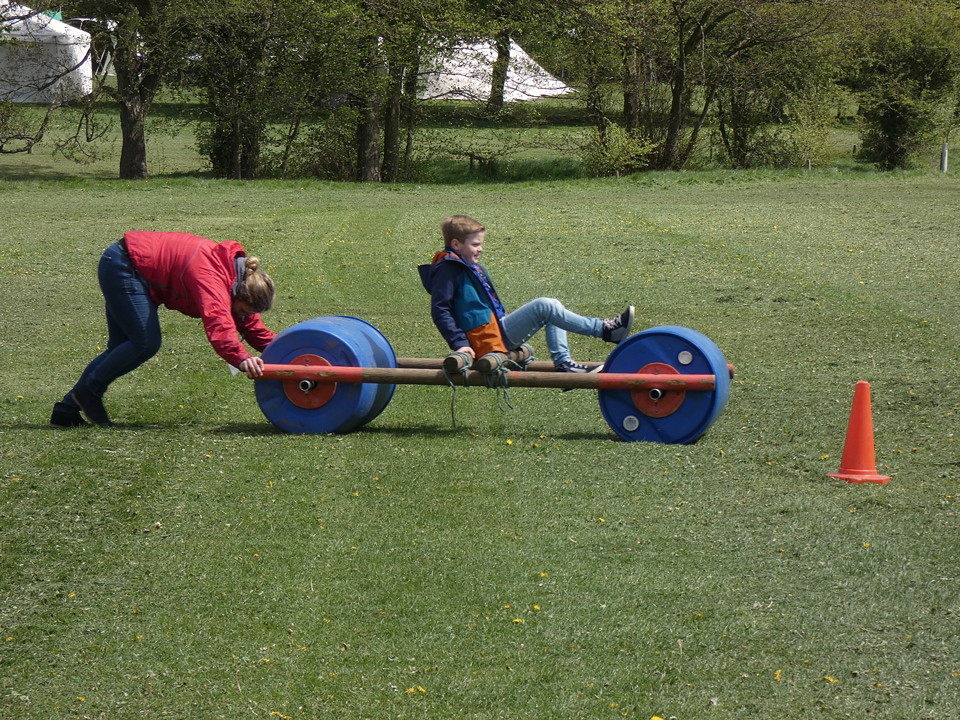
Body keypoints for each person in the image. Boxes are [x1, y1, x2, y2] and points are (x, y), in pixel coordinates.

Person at [50, 231, 277, 428]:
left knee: (122, 347)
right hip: (125, 266)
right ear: (239, 294)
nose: (242, 317)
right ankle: (90, 391)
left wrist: (289, 347)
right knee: (144, 342)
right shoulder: (213, 279)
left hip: (124, 262)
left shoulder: (234, 279)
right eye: (243, 310)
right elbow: (219, 323)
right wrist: (241, 358)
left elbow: (251, 326)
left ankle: (66, 410)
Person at [418, 214, 634, 372]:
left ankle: (564, 364)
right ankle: (605, 330)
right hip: (483, 341)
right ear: (456, 244)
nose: (481, 249)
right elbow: (440, 310)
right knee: (545, 306)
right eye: (476, 244)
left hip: (494, 331)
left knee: (553, 307)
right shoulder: (447, 269)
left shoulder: (468, 266)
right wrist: (459, 343)